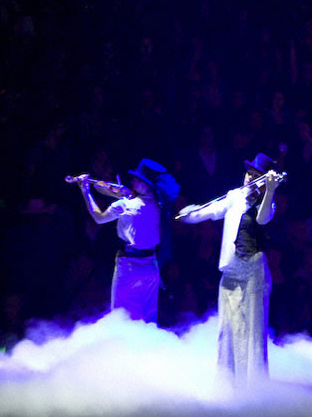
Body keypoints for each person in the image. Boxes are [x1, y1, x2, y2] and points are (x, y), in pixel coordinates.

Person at [176, 153, 284, 384]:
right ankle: (229, 383)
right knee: (228, 327)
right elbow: (212, 211)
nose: (250, 178)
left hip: (254, 270)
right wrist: (189, 215)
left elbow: (263, 219)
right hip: (230, 270)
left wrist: (271, 189)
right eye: (249, 173)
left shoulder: (268, 201)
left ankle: (254, 387)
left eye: (256, 176)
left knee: (253, 331)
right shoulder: (235, 196)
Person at [74, 158, 180, 323]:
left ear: (147, 185)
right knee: (148, 317)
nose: (133, 181)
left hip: (129, 266)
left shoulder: (125, 205)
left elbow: (99, 218)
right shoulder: (160, 205)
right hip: (151, 265)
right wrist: (121, 192)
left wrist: (85, 191)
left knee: (120, 315)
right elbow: (138, 198)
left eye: (138, 179)